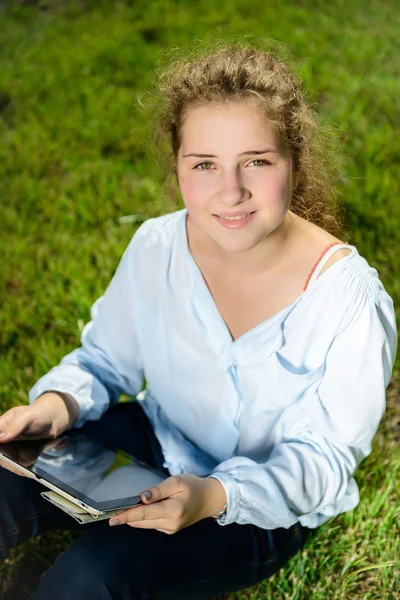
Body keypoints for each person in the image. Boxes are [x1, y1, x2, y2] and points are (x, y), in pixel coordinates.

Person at [0, 42, 397, 600]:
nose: (230, 191)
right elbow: (103, 360)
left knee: (92, 575)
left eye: (256, 161)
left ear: (295, 161)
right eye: (205, 164)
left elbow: (323, 460)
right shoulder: (158, 244)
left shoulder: (348, 299)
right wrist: (56, 405)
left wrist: (212, 496)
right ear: (178, 166)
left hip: (257, 505)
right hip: (155, 437)